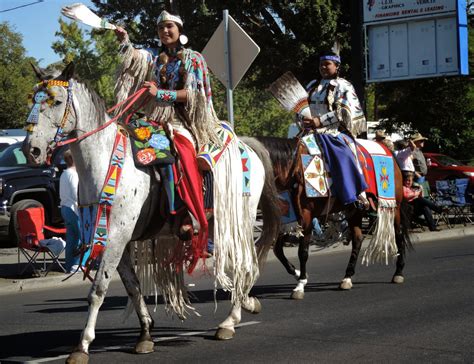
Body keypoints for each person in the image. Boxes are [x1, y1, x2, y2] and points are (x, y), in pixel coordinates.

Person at [113, 11, 227, 262]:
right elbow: (133, 60)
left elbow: (192, 95)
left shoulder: (193, 59)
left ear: (179, 29)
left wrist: (159, 94)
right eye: (161, 28)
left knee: (181, 155)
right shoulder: (156, 59)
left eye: (169, 27)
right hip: (157, 120)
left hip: (184, 122)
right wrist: (124, 41)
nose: (165, 31)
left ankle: (185, 213)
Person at [302, 49, 368, 209]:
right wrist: (303, 119)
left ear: (337, 66)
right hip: (309, 132)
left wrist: (320, 121)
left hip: (335, 132)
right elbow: (302, 107)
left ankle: (357, 193)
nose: (323, 67)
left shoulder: (344, 86)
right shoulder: (312, 86)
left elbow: (343, 113)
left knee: (344, 153)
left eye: (327, 64)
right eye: (321, 64)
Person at [60, 150, 83, 272]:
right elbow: (75, 193)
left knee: (71, 238)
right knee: (82, 238)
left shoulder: (64, 174)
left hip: (65, 207)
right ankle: (79, 264)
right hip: (74, 209)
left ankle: (69, 265)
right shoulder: (73, 174)